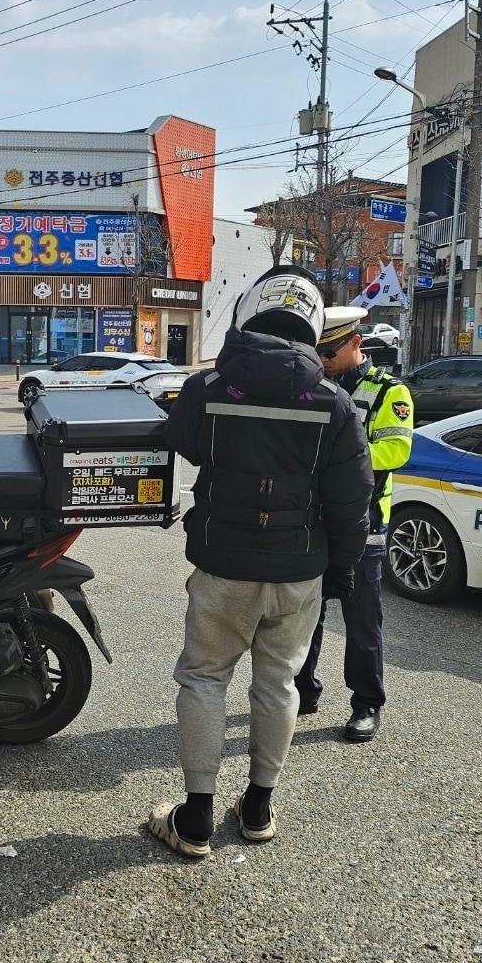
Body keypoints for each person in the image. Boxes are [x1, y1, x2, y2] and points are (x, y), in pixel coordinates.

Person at [148, 266, 373, 858]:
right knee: (277, 684)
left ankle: (193, 817)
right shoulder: (336, 406)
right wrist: (343, 568)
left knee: (204, 677)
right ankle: (258, 806)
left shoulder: (207, 389)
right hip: (299, 571)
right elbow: (353, 505)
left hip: (223, 567)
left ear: (248, 315)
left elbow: (183, 442)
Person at [295, 310, 414, 742]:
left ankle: (366, 703)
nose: (322, 359)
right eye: (317, 351)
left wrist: (336, 462)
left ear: (355, 342)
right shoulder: (308, 387)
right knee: (303, 616)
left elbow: (396, 450)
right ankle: (302, 692)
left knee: (362, 620)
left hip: (364, 525)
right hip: (312, 521)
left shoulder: (388, 391)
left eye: (330, 350)